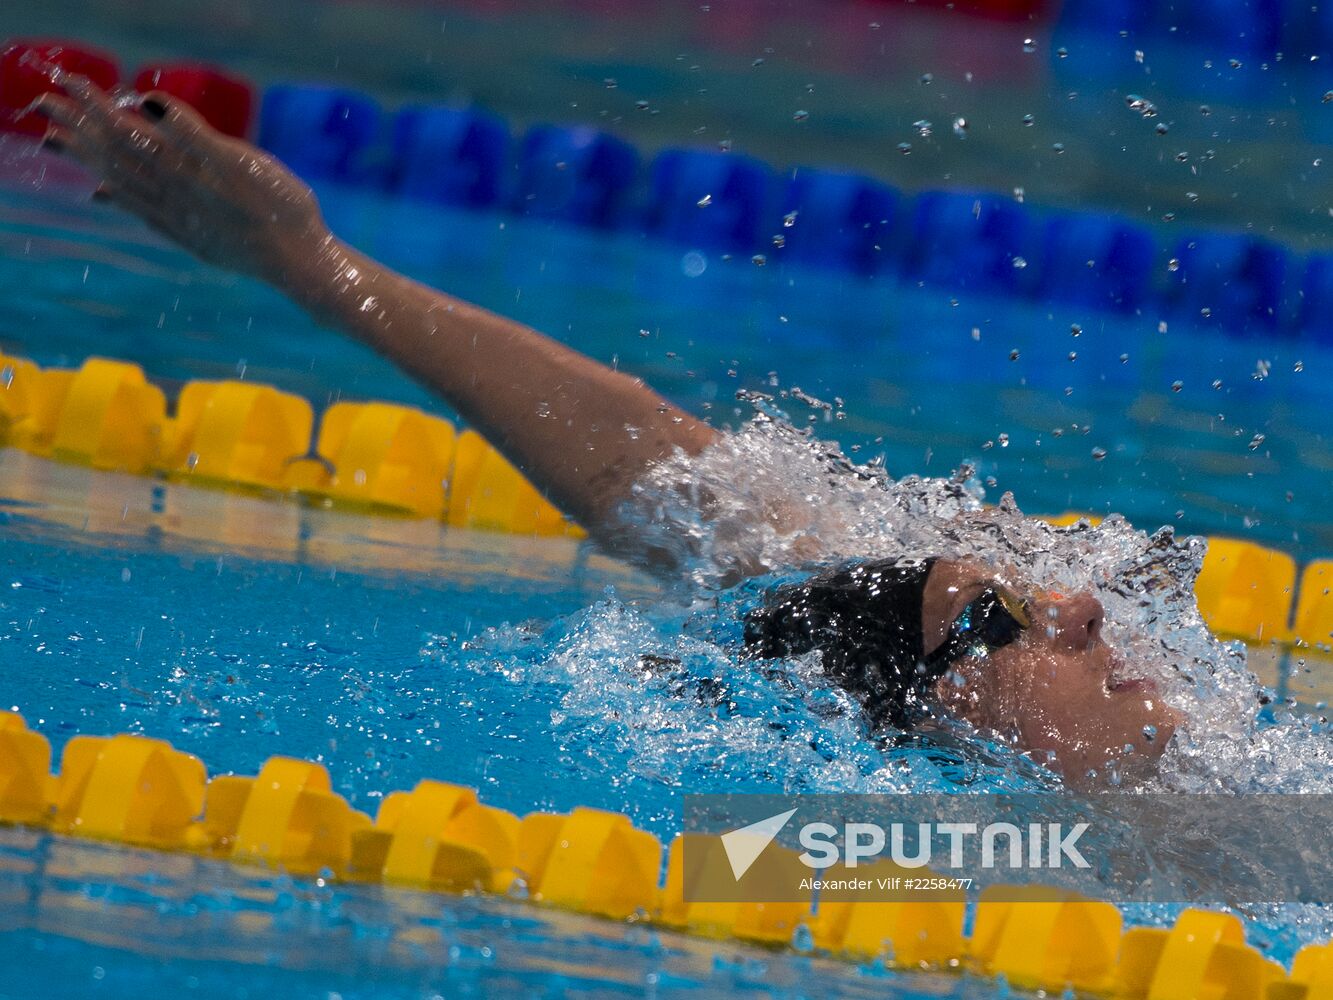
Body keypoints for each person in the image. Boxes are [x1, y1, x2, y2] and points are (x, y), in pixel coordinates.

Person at [30, 77, 1182, 788]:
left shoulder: (1198, 785)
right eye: (1001, 616)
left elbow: (670, 482)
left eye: (1015, 599)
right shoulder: (937, 862)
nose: (1087, 603)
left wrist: (322, 271)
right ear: (934, 724)